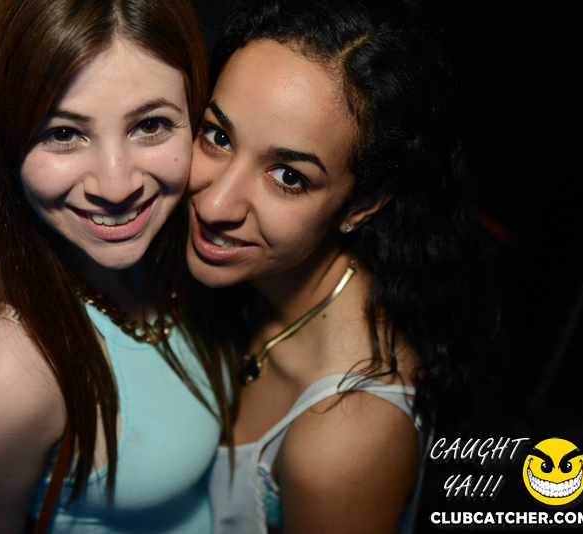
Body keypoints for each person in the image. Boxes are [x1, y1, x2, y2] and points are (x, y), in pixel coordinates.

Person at [185, 0, 501, 532]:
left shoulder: (342, 438)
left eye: (288, 176)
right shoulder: (254, 280)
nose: (215, 205)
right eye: (218, 136)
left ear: (363, 203)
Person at [0, 0, 233, 532]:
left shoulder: (195, 243)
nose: (116, 186)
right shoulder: (3, 378)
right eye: (63, 133)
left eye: (151, 124)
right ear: (2, 140)